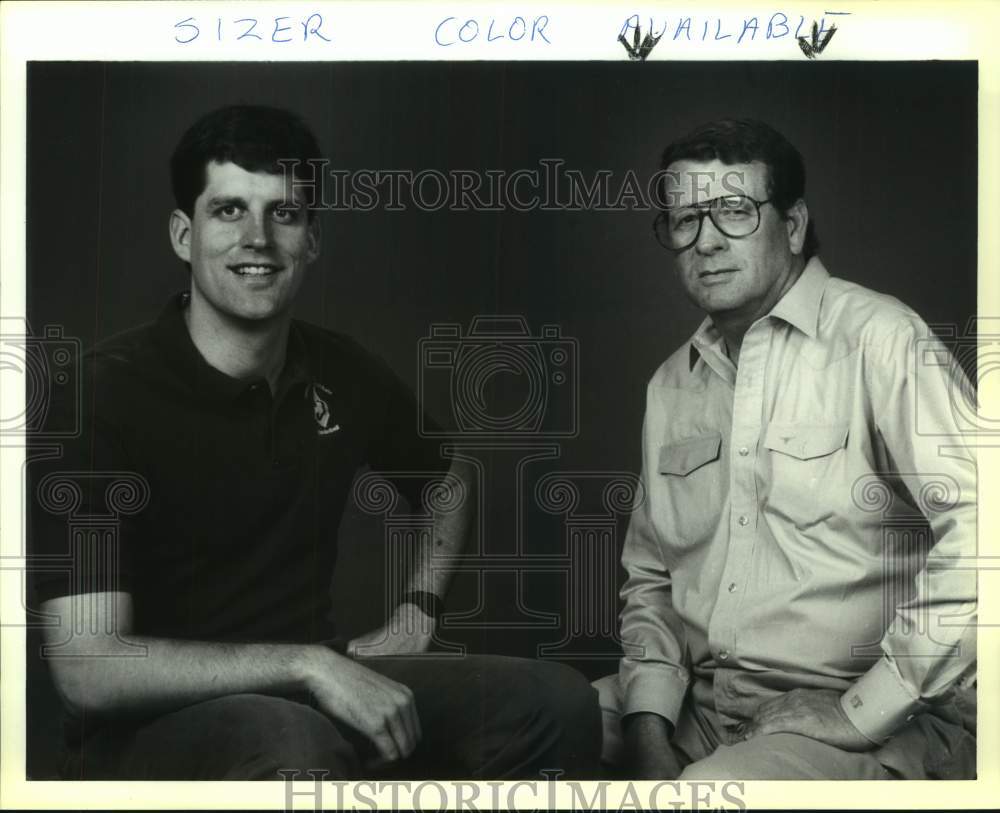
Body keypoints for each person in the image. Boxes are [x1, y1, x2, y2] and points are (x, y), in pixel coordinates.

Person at [28, 104, 600, 780]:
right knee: (292, 741)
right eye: (230, 211)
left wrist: (417, 609)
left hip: (310, 687)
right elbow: (91, 668)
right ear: (184, 234)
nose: (259, 239)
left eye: (285, 214)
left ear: (313, 239)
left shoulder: (340, 371)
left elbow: (449, 475)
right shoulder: (98, 397)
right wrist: (308, 663)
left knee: (556, 703)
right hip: (141, 733)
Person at [596, 118, 977, 780]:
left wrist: (862, 708)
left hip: (884, 720)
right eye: (684, 219)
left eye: (733, 212)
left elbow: (986, 529)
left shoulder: (880, 339)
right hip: (707, 707)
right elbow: (651, 581)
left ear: (793, 226)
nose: (705, 241)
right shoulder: (670, 386)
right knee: (531, 721)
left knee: (711, 792)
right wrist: (648, 727)